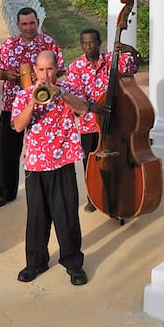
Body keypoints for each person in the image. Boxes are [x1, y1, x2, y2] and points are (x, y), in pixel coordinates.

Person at [12, 50, 92, 286]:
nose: (45, 74)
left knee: (66, 216)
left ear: (57, 69)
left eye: (50, 69)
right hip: (36, 164)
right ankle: (35, 262)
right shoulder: (24, 94)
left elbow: (83, 110)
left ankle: (74, 264)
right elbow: (17, 126)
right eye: (41, 70)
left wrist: (62, 94)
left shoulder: (67, 89)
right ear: (34, 70)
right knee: (36, 217)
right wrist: (32, 102)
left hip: (63, 162)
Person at [0, 7, 62, 209]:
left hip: (43, 108)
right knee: (7, 150)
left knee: (45, 150)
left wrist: (43, 77)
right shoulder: (9, 45)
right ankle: (5, 192)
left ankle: (47, 191)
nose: (29, 27)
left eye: (32, 23)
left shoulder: (48, 43)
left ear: (37, 22)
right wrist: (7, 75)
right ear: (18, 24)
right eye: (24, 24)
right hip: (12, 104)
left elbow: (61, 68)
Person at [63, 27, 137, 212]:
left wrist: (132, 51)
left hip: (114, 120)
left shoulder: (112, 59)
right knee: (90, 162)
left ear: (99, 43)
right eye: (84, 43)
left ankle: (118, 192)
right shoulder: (76, 67)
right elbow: (73, 94)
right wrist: (91, 106)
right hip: (89, 124)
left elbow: (133, 66)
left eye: (92, 42)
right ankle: (92, 197)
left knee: (116, 160)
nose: (88, 46)